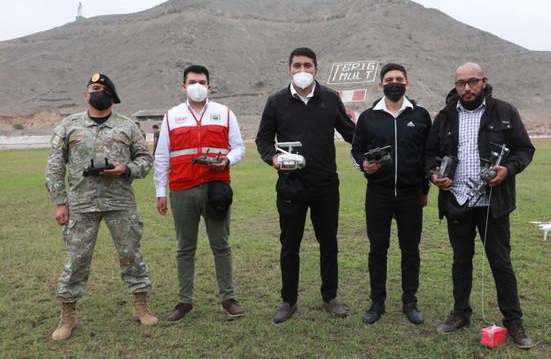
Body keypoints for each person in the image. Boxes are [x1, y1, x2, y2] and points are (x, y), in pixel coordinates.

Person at [425, 62, 535, 349]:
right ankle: (461, 313)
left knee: (500, 262)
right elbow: (429, 155)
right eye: (461, 83)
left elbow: (525, 149)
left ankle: (513, 321)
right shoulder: (445, 116)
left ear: (484, 81)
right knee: (461, 262)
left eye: (473, 82)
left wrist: (507, 170)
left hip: (493, 203)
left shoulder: (504, 111)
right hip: (457, 200)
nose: (467, 88)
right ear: (455, 85)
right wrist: (434, 175)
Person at [45, 73, 158, 341]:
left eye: (105, 89)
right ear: (86, 94)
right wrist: (60, 202)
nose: (100, 92)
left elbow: (145, 159)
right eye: (95, 88)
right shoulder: (69, 126)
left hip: (120, 203)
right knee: (76, 260)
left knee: (131, 254)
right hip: (81, 203)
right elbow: (54, 166)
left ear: (112, 97)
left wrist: (125, 168)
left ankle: (140, 307)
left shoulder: (128, 126)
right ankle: (67, 316)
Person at [255, 47, 356, 323]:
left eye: (308, 65)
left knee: (328, 242)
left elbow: (350, 133)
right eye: (297, 65)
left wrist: (367, 128)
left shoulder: (331, 99)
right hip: (290, 185)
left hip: (325, 185)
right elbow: (262, 140)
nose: (302, 70)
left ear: (316, 69)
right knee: (290, 244)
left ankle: (330, 296)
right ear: (289, 68)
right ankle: (289, 300)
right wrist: (272, 157)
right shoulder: (276, 101)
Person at [154, 64, 245, 322]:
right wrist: (161, 191)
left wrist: (227, 160)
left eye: (202, 81)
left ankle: (228, 299)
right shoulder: (171, 116)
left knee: (221, 246)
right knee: (185, 248)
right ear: (183, 86)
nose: (197, 86)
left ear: (209, 86)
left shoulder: (225, 113)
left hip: (216, 189)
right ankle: (184, 302)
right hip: (182, 190)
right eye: (192, 81)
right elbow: (162, 156)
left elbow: (238, 148)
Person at [351, 63, 431, 325]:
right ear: (380, 85)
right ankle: (377, 302)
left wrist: (424, 189)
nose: (393, 83)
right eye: (389, 79)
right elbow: (356, 151)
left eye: (399, 79)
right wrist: (364, 165)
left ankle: (410, 302)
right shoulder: (368, 117)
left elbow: (427, 156)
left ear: (407, 83)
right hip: (378, 194)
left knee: (410, 249)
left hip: (410, 195)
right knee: (378, 249)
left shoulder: (419, 115)